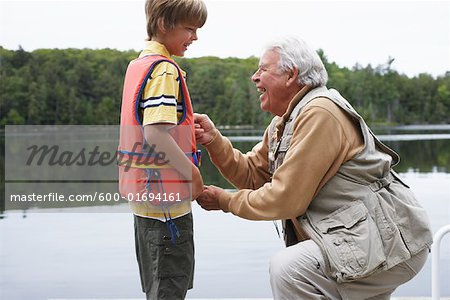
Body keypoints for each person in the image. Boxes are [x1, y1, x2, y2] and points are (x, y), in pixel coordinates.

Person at [195, 37, 433, 300]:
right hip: (361, 244)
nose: (254, 77)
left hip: (387, 244)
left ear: (291, 75)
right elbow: (254, 176)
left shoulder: (320, 112)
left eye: (263, 69)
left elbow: (285, 199)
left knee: (289, 269)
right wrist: (214, 141)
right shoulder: (282, 122)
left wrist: (224, 200)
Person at [118, 0, 207, 299]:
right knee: (169, 290)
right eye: (190, 29)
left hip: (146, 206)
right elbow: (155, 133)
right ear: (164, 25)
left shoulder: (139, 66)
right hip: (167, 210)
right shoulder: (164, 71)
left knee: (157, 289)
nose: (195, 37)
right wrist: (193, 173)